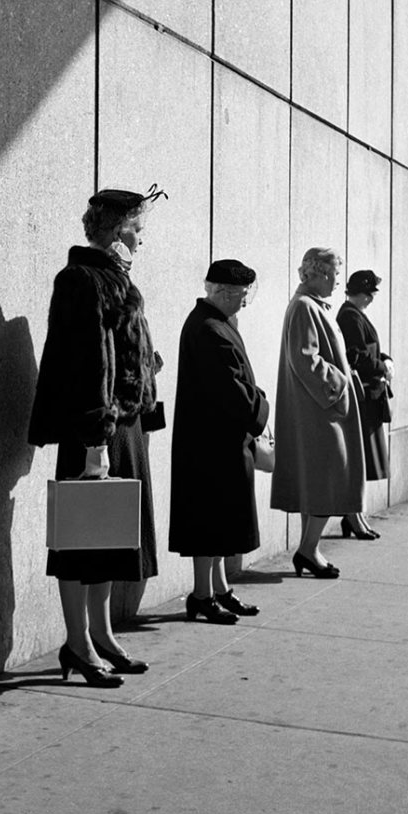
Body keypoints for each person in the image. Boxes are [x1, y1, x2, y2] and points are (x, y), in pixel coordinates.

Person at [28, 185, 166, 687]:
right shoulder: (82, 279)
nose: (140, 240)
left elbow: (118, 351)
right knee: (80, 540)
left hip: (119, 424)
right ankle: (78, 643)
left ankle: (102, 634)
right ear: (113, 230)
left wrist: (145, 367)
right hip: (95, 429)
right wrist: (95, 441)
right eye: (136, 229)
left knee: (108, 538)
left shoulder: (113, 278)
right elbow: (89, 364)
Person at [169, 260, 270, 624]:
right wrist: (263, 406)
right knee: (210, 523)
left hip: (215, 441)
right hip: (211, 444)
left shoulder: (212, 323)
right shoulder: (210, 328)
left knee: (218, 523)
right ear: (223, 293)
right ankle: (202, 595)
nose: (244, 302)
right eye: (241, 295)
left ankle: (218, 590)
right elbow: (232, 391)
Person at [270, 246, 365, 579]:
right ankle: (308, 549)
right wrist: (341, 383)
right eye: (336, 274)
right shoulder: (305, 308)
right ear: (321, 274)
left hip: (321, 411)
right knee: (328, 480)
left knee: (319, 482)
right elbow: (306, 360)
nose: (339, 281)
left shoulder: (311, 306)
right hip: (320, 414)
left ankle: (309, 548)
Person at [336, 270, 394, 540]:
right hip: (363, 398)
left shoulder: (354, 314)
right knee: (359, 460)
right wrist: (383, 365)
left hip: (369, 396)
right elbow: (356, 357)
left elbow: (366, 350)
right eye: (368, 293)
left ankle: (355, 515)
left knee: (363, 461)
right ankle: (353, 515)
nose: (371, 298)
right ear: (359, 292)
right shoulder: (349, 316)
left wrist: (385, 360)